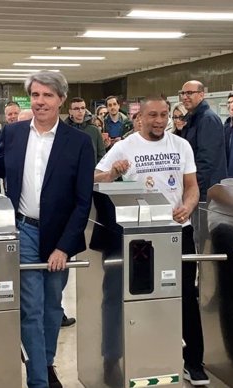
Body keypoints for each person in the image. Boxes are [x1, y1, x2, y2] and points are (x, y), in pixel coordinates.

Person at [0, 71, 94, 388]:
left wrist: (64, 247)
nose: (40, 102)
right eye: (35, 95)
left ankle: (46, 362)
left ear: (61, 100)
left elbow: (83, 202)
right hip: (23, 230)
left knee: (53, 307)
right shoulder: (14, 133)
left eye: (47, 95)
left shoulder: (78, 143)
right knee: (31, 310)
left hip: (60, 236)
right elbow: (3, 164)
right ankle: (38, 379)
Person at [94, 95, 208, 386]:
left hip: (176, 232)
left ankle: (193, 361)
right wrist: (113, 173)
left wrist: (189, 206)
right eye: (153, 115)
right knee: (128, 296)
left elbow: (192, 187)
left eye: (163, 115)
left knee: (185, 295)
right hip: (139, 237)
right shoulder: (125, 146)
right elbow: (96, 179)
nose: (159, 121)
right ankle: (114, 358)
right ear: (140, 117)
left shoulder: (181, 145)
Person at [179, 80, 226, 201]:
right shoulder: (192, 118)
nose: (185, 97)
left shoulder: (208, 119)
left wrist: (192, 188)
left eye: (189, 93)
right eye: (182, 93)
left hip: (205, 190)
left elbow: (206, 160)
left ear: (201, 95)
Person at [64, 97, 106, 163]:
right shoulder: (64, 130)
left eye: (83, 108)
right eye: (76, 108)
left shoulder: (94, 130)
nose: (80, 111)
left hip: (91, 171)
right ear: (70, 111)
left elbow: (101, 155)